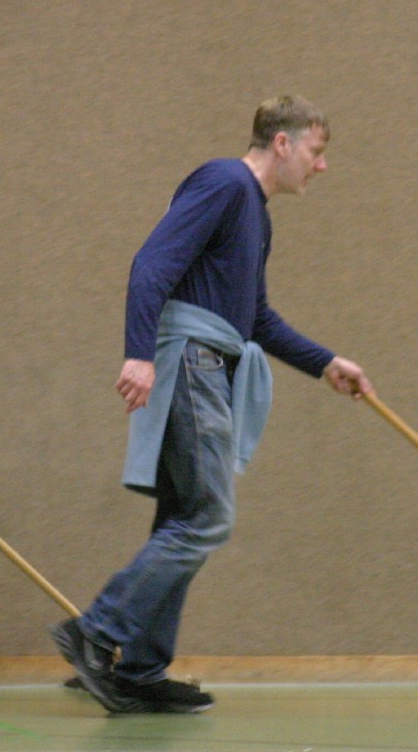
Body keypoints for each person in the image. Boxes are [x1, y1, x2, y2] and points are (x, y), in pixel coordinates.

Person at [52, 97, 373, 714]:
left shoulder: (255, 214)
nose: (322, 166)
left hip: (213, 365)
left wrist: (326, 362)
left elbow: (255, 318)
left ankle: (140, 670)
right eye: (317, 151)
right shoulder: (224, 183)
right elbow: (152, 263)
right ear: (282, 143)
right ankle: (95, 632)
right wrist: (138, 354)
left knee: (184, 515)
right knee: (208, 517)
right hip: (193, 365)